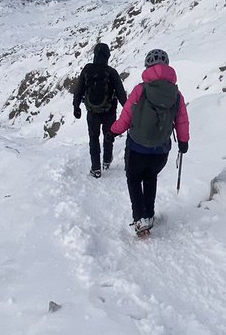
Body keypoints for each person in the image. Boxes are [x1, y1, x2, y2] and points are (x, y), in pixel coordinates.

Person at [111, 48, 189, 235]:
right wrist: (183, 142)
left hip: (137, 147)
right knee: (150, 177)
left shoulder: (141, 90)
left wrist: (113, 131)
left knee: (134, 179)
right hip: (161, 150)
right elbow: (181, 120)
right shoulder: (176, 95)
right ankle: (149, 214)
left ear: (148, 67)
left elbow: (126, 116)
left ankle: (140, 218)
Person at [72, 42, 127, 177]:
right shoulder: (112, 72)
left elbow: (79, 89)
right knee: (108, 136)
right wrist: (128, 112)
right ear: (107, 56)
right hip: (109, 111)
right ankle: (107, 160)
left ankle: (96, 168)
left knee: (93, 138)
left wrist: (76, 106)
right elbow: (121, 94)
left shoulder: (87, 69)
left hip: (92, 113)